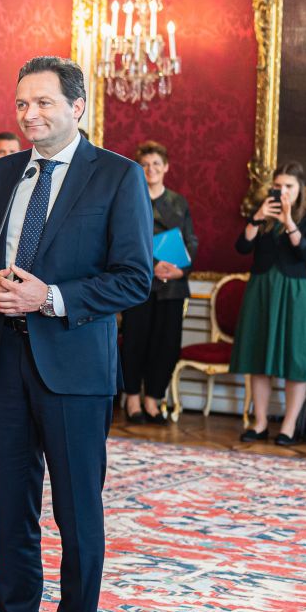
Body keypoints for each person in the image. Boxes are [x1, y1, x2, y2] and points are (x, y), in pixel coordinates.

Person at [0, 56, 151, 612]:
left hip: (73, 371)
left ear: (78, 108)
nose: (30, 115)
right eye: (21, 105)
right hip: (3, 367)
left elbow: (134, 277)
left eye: (43, 103)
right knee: (11, 514)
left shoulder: (117, 179)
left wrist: (50, 297)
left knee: (76, 515)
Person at [231, 161, 306, 447]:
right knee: (258, 358)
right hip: (261, 289)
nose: (282, 191)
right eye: (278, 186)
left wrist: (288, 221)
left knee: (295, 359)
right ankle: (259, 423)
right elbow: (242, 247)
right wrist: (257, 217)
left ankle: (289, 426)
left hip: (294, 293)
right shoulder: (262, 214)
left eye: (289, 186)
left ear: (299, 190)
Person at [118, 141, 196, 424]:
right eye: (146, 165)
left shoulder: (179, 201)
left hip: (173, 287)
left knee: (166, 345)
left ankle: (153, 399)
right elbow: (123, 243)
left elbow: (191, 240)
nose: (151, 169)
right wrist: (151, 267)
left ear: (166, 168)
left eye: (156, 164)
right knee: (135, 343)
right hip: (140, 285)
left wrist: (180, 269)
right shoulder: (129, 199)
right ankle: (133, 401)